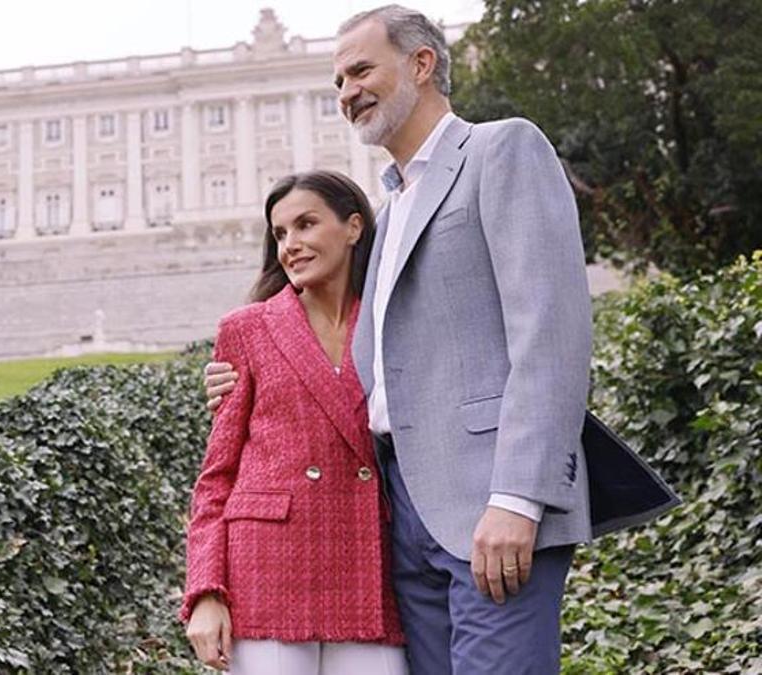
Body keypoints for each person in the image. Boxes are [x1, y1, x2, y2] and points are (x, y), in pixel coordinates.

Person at [204, 5, 594, 673]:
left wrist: (518, 497)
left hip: (487, 499)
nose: (347, 91)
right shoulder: (389, 209)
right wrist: (248, 376)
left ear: (421, 64)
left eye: (361, 70)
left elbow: (550, 333)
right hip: (401, 518)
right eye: (337, 81)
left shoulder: (501, 149)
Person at [181, 170, 407, 674]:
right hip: (265, 568)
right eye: (280, 233)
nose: (291, 244)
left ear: (353, 228)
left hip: (368, 559)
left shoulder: (394, 318)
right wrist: (205, 591)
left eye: (306, 224)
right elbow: (216, 478)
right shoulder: (246, 329)